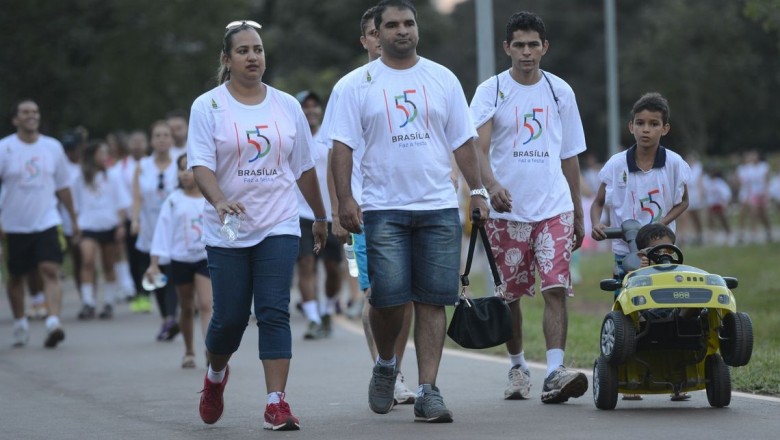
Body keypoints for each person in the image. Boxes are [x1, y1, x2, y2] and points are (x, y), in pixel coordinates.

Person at [331, 0, 489, 423]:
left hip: (437, 207)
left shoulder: (442, 78)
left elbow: (463, 141)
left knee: (434, 301)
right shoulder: (355, 84)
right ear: (376, 34)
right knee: (387, 301)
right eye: (393, 25)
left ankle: (428, 390)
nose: (403, 31)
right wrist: (345, 200)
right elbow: (341, 146)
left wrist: (477, 190)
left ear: (418, 28)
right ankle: (386, 365)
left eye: (409, 23)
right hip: (382, 209)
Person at [188, 20, 327, 432]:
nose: (253, 56)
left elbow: (303, 168)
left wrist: (320, 216)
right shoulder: (208, 106)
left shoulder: (286, 106)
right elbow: (201, 165)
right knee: (229, 318)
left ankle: (276, 403)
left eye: (258, 49)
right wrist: (219, 201)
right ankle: (215, 377)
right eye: (244, 50)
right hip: (228, 228)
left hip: (279, 222)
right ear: (227, 60)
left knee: (273, 310)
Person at [469, 11, 589, 404]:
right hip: (507, 212)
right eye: (518, 45)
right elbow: (478, 148)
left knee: (556, 288)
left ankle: (555, 371)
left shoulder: (559, 91)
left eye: (533, 44)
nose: (526, 52)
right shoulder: (492, 90)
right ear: (507, 48)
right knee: (511, 296)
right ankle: (518, 366)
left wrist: (578, 209)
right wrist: (490, 186)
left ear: (545, 48)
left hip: (554, 207)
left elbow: (569, 155)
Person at [323, 5, 416, 406]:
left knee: (407, 294)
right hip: (364, 210)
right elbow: (334, 153)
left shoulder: (411, 81)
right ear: (367, 39)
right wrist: (337, 210)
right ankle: (386, 371)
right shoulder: (350, 87)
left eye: (396, 28)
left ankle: (394, 368)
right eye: (377, 32)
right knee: (377, 294)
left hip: (409, 205)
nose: (385, 38)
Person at [590, 92, 690, 298]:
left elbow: (684, 201)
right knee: (627, 297)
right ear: (631, 126)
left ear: (665, 129)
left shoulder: (674, 163)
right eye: (640, 123)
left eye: (654, 124)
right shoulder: (616, 164)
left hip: (662, 247)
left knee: (665, 296)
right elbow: (598, 202)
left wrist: (662, 223)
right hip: (625, 247)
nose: (646, 129)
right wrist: (596, 223)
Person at [0, 99, 79, 348]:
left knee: (50, 269)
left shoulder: (52, 147)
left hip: (47, 220)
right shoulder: (4, 148)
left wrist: (73, 219)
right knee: (16, 277)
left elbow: (63, 186)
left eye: (35, 111)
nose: (31, 115)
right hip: (13, 224)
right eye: (25, 112)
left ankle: (53, 321)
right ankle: (21, 323)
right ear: (15, 119)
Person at [146, 153, 212, 369]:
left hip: (204, 258)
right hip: (180, 259)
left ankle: (210, 348)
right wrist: (154, 263)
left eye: (191, 168)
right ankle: (189, 351)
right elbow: (162, 231)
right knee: (186, 306)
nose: (186, 174)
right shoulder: (173, 200)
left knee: (205, 304)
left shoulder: (210, 197)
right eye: (182, 169)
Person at [293, 89, 344, 340]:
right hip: (302, 214)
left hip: (332, 213)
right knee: (306, 265)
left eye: (314, 106)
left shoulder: (331, 136)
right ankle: (312, 318)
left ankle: (326, 310)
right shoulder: (292, 137)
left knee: (333, 270)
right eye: (305, 106)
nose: (310, 110)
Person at [627, 222, 692, 402]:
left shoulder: (679, 272)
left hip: (676, 316)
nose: (664, 255)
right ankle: (632, 379)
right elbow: (628, 291)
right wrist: (641, 270)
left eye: (668, 251)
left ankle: (680, 383)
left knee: (694, 308)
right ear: (642, 253)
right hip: (646, 318)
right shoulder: (637, 273)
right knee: (630, 318)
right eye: (657, 250)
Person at [131, 120, 180, 338]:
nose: (162, 139)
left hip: (175, 226)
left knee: (173, 271)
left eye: (166, 135)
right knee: (156, 271)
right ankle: (166, 318)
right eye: (157, 135)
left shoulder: (180, 163)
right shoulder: (143, 166)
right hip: (151, 224)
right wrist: (135, 220)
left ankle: (171, 317)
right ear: (152, 140)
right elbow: (137, 197)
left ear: (172, 139)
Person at [72, 139, 130, 319]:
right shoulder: (80, 178)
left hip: (108, 224)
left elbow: (121, 203)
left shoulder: (112, 176)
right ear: (92, 156)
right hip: (88, 225)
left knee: (108, 264)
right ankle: (88, 302)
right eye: (101, 153)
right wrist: (76, 226)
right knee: (87, 261)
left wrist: (120, 224)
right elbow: (75, 204)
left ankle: (109, 302)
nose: (105, 156)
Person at [735, 150, 772, 244]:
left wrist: (766, 193)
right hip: (753, 194)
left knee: (764, 215)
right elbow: (747, 183)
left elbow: (766, 180)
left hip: (762, 193)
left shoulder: (764, 166)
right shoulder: (749, 169)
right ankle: (753, 233)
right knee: (753, 213)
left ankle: (768, 231)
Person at [703, 169, 733, 245]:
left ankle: (728, 232)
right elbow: (707, 193)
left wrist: (724, 203)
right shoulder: (708, 182)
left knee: (723, 219)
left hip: (719, 203)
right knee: (711, 219)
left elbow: (725, 193)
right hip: (712, 204)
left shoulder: (720, 182)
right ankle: (711, 234)